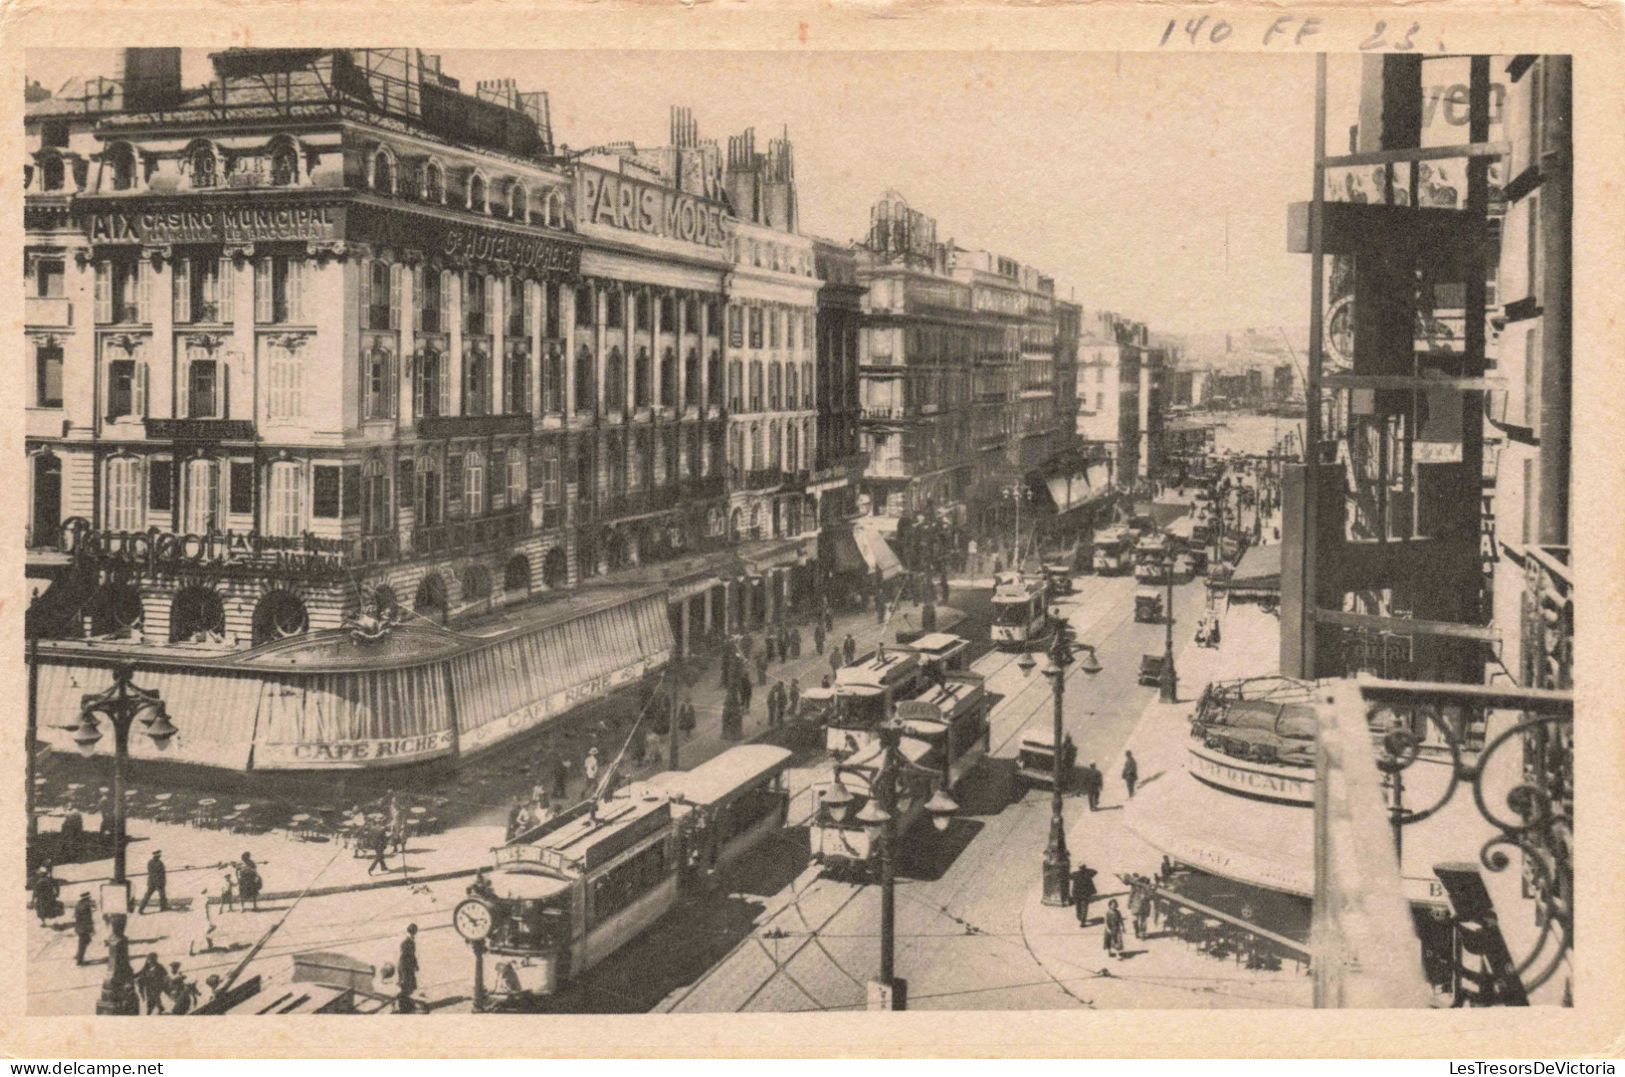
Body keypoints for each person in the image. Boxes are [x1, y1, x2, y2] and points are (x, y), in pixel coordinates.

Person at [397, 924, 420, 1014]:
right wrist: (405, 970)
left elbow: (412, 955)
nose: (413, 935)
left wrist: (415, 965)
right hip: (405, 967)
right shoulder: (406, 942)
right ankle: (403, 1007)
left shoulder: (410, 941)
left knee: (409, 987)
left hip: (408, 967)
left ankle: (407, 1005)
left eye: (414, 933)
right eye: (413, 933)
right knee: (405, 987)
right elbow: (404, 957)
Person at [188, 887, 217, 956]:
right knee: (209, 929)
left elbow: (191, 908)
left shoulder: (196, 898)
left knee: (196, 934)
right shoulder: (205, 898)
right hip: (203, 917)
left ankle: (191, 949)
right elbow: (206, 909)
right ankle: (210, 943)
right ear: (205, 892)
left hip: (196, 918)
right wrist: (208, 918)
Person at [73, 891, 95, 965]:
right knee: (83, 943)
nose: (90, 899)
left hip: (78, 927)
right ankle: (79, 960)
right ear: (86, 899)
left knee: (85, 941)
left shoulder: (79, 904)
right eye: (89, 898)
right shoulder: (86, 907)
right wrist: (91, 929)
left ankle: (78, 955)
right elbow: (88, 920)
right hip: (84, 928)